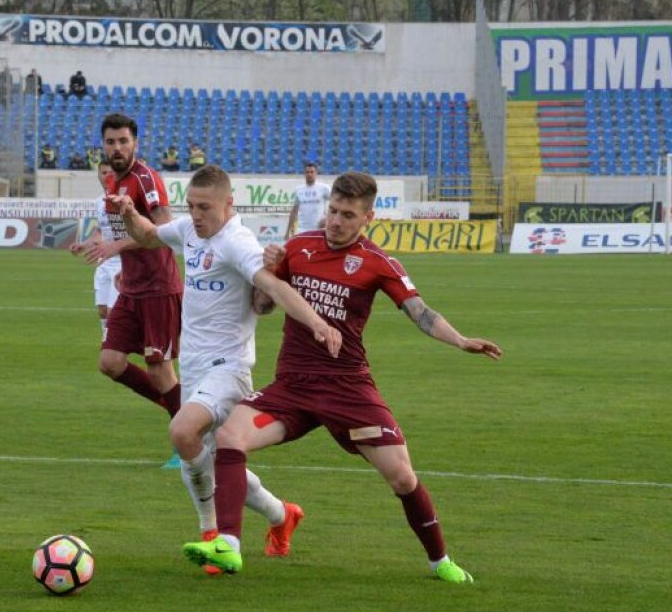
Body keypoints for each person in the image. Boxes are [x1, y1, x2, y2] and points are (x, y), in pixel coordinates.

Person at [182, 171, 502, 582]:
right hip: (293, 387)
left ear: (367, 217)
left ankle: (440, 561)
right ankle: (228, 545)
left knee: (403, 476)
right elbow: (262, 306)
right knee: (229, 437)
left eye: (347, 215)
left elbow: (420, 312)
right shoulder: (299, 248)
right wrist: (272, 269)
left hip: (348, 389)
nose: (335, 221)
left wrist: (459, 341)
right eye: (333, 210)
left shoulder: (378, 263)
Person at [115, 164, 342, 571]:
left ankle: (212, 535)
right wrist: (130, 214)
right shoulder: (189, 231)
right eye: (191, 206)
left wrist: (317, 323)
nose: (196, 215)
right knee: (215, 460)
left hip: (229, 368)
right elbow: (148, 236)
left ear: (228, 203)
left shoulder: (238, 243)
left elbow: (274, 287)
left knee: (182, 433)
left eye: (205, 207)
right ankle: (281, 515)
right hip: (197, 368)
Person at [68, 112, 182, 468]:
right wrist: (97, 244)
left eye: (123, 141)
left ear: (135, 143)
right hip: (132, 287)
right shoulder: (114, 184)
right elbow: (118, 231)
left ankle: (189, 442)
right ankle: (180, 407)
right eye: (110, 142)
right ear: (103, 145)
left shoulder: (146, 179)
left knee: (159, 368)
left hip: (159, 288)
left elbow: (163, 230)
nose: (117, 148)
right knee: (111, 362)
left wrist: (116, 248)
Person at [77, 163, 123, 338]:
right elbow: (100, 231)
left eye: (111, 172)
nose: (107, 175)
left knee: (113, 313)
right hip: (104, 261)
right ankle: (107, 339)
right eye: (103, 172)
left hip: (122, 261)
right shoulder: (98, 202)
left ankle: (112, 344)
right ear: (98, 175)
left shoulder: (124, 199)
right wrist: (85, 244)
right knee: (102, 311)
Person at [286, 161, 331, 238]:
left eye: (312, 172)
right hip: (302, 230)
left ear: (316, 173)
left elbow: (335, 203)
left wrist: (328, 217)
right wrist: (287, 231)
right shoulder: (298, 190)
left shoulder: (324, 188)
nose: (309, 174)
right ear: (304, 174)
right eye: (307, 172)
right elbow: (294, 211)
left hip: (319, 229)